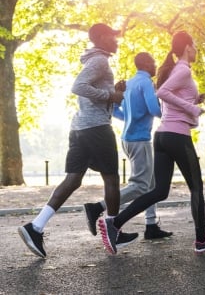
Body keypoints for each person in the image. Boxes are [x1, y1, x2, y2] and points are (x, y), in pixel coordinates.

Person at [98, 31, 205, 254]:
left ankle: (114, 223)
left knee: (159, 191)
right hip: (177, 136)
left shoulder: (176, 70)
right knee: (197, 187)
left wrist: (193, 100)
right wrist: (192, 108)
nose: (196, 50)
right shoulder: (183, 69)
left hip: (162, 136)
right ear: (187, 47)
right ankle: (202, 239)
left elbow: (168, 98)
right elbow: (163, 92)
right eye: (194, 46)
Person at [18, 23, 137, 258]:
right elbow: (79, 87)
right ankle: (113, 229)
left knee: (73, 180)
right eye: (113, 37)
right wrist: (110, 95)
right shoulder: (100, 61)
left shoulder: (95, 60)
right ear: (102, 37)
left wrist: (114, 91)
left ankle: (35, 227)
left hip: (80, 128)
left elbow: (95, 94)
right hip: (96, 129)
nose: (117, 41)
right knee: (112, 178)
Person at [83, 52, 172, 240]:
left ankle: (151, 225)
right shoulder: (146, 82)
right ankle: (97, 207)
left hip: (127, 139)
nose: (155, 65)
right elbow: (155, 109)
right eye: (153, 62)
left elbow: (117, 111)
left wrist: (134, 117)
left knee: (152, 185)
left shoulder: (129, 84)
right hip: (140, 140)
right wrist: (174, 111)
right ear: (146, 64)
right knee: (140, 186)